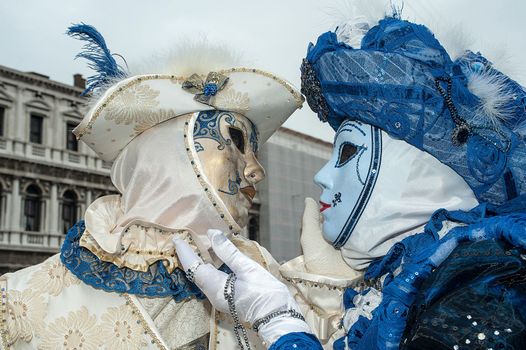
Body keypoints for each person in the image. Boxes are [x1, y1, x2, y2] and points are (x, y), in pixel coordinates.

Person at [173, 9, 526, 350]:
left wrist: (278, 320)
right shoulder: (411, 283)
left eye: (346, 153)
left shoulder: (489, 284)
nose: (322, 176)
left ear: (420, 173)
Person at [0, 24, 307, 349]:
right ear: (170, 156)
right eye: (235, 142)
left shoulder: (266, 279)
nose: (256, 170)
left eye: (255, 152)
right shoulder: (17, 304)